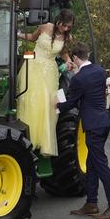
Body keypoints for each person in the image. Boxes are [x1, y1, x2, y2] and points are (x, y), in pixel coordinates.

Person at [57, 42, 110, 219]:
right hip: (102, 122)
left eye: (73, 59)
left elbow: (70, 103)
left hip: (93, 125)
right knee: (92, 163)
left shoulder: (79, 78)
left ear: (76, 58)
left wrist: (55, 106)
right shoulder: (100, 71)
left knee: (101, 165)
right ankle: (91, 203)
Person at [16, 9, 73, 156]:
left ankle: (44, 142)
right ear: (59, 21)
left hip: (50, 71)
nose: (66, 29)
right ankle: (27, 138)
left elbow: (64, 53)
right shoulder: (45, 27)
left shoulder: (67, 37)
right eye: (65, 25)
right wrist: (17, 35)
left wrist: (68, 61)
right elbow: (32, 37)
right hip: (33, 66)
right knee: (31, 101)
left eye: (69, 27)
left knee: (48, 104)